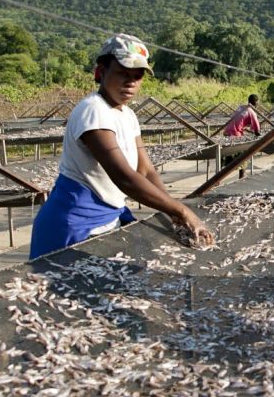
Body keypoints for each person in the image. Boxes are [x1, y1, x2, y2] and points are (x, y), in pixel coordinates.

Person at [29, 33, 214, 259]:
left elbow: (145, 170)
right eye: (123, 73)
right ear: (102, 71)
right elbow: (123, 176)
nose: (131, 83)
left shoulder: (128, 115)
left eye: (137, 76)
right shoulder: (93, 110)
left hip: (107, 216)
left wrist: (172, 210)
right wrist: (181, 210)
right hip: (75, 222)